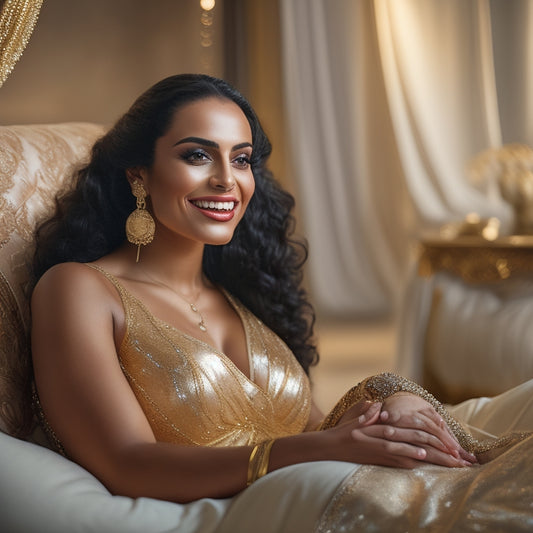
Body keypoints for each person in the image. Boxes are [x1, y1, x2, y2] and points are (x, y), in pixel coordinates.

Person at [31, 74, 533, 530]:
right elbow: (127, 463)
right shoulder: (79, 289)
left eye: (242, 158)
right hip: (272, 507)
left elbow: (317, 426)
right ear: (138, 174)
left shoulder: (234, 294)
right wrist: (317, 449)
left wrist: (393, 397)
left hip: (323, 483)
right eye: (197, 155)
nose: (228, 180)